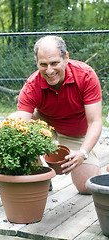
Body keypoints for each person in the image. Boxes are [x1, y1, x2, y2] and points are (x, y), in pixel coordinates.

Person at [9, 35, 102, 194]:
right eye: (43, 64)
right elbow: (20, 126)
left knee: (86, 187)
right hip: (46, 128)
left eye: (54, 63)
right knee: (12, 122)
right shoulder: (32, 86)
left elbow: (95, 122)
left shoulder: (86, 75)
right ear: (36, 62)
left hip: (76, 134)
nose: (49, 70)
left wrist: (83, 153)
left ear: (66, 58)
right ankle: (40, 174)